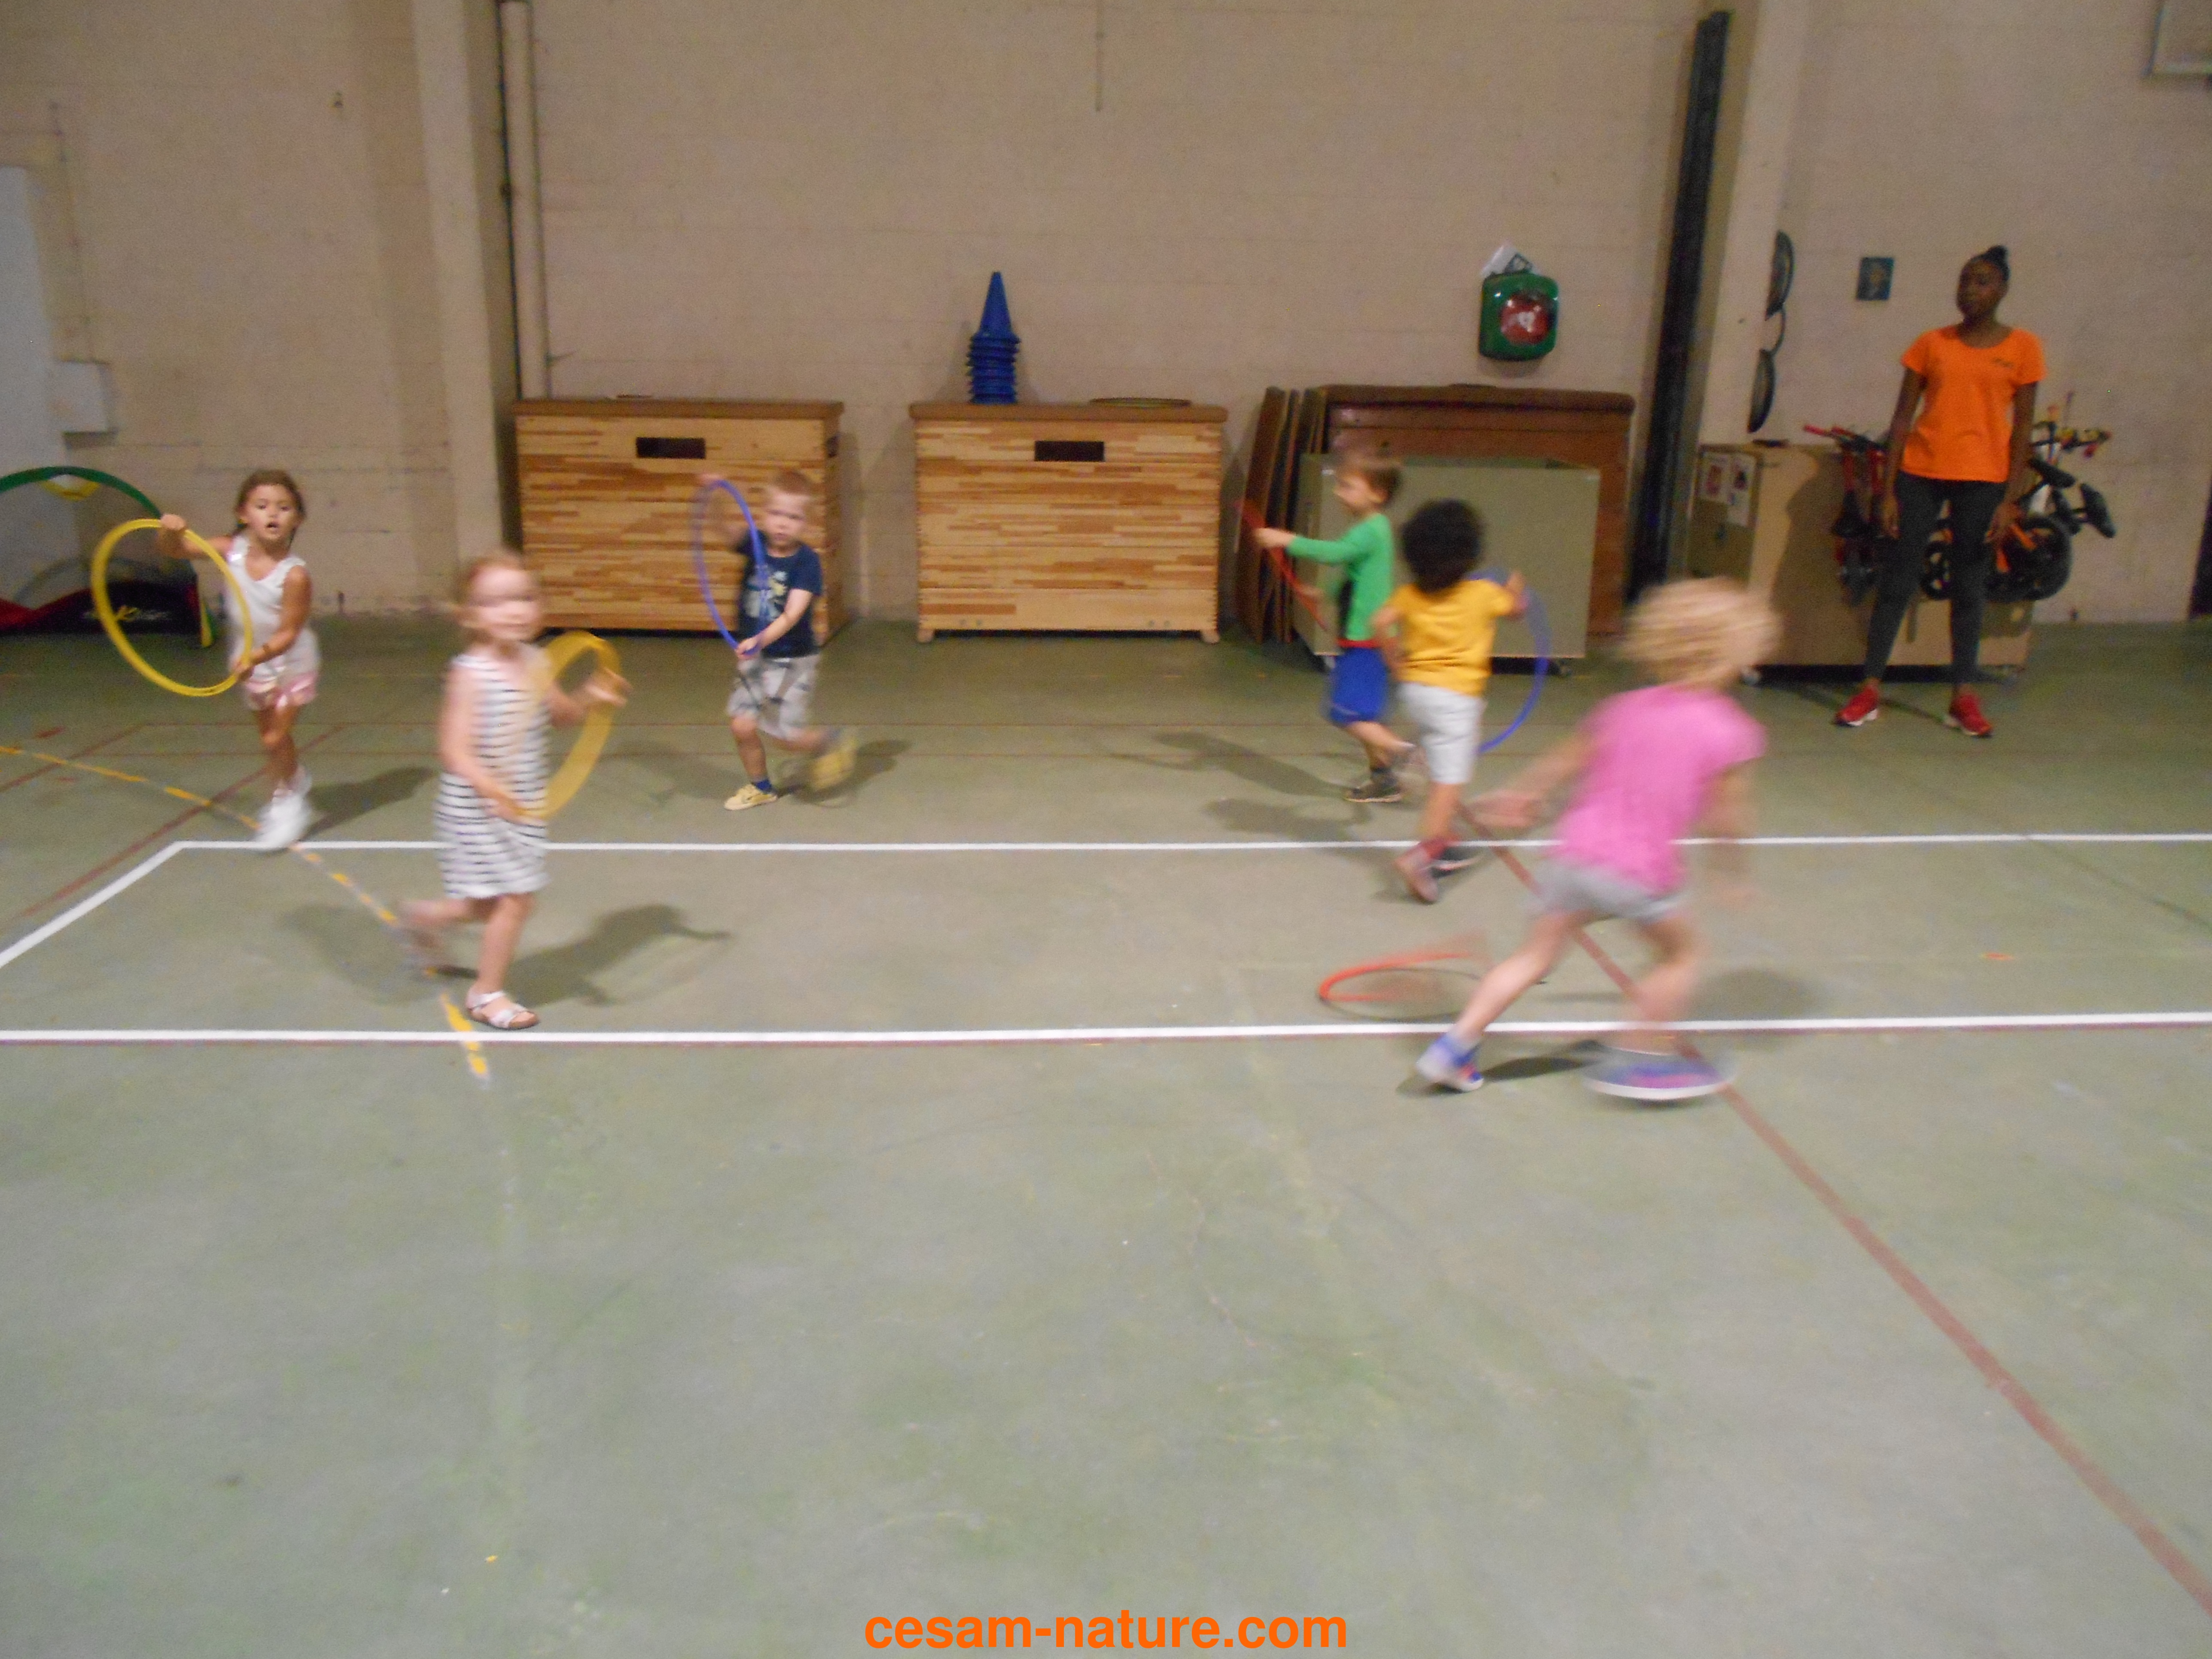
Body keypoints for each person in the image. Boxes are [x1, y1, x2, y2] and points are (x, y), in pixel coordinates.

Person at [1414, 578, 1777, 1102]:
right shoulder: (1731, 730)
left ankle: (1453, 1048)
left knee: (1534, 956)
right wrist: (1732, 874)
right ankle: (1636, 1060)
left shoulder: (1621, 709)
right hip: (1638, 872)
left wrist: (1520, 794)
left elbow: (1561, 763)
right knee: (1681, 955)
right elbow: (1727, 818)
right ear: (1735, 654)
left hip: (1572, 859)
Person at [399, 551, 627, 1031]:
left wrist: (592, 697)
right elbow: (454, 750)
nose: (514, 611)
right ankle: (486, 995)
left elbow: (560, 716)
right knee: (517, 900)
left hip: (521, 806)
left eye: (524, 598)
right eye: (496, 602)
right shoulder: (470, 672)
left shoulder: (536, 660)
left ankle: (427, 917)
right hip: (477, 807)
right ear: (470, 616)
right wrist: (490, 788)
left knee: (488, 903)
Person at [1836, 245, 2044, 739]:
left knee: (1969, 586)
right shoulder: (1930, 344)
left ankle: (1962, 697)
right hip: (1921, 473)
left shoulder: (2023, 348)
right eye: (1964, 280)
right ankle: (1869, 688)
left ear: (2002, 290)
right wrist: (1888, 491)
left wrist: (2010, 499)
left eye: (1982, 282)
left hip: (1983, 481)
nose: (1970, 290)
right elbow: (1901, 419)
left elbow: (2023, 430)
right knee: (1898, 579)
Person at [1368, 500, 1525, 902]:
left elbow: (1380, 622)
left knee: (1440, 752)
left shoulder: (1407, 595)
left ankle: (1428, 778)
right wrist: (1515, 590)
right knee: (1448, 786)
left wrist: (1394, 660)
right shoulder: (1484, 594)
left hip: (1417, 693)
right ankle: (1424, 855)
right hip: (1456, 701)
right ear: (1470, 554)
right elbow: (1516, 611)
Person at [158, 470, 319, 850]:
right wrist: (170, 532)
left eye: (284, 508)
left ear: (297, 518)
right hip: (250, 661)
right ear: (243, 514)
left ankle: (287, 805)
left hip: (291, 663)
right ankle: (293, 778)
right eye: (262, 506)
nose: (273, 514)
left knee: (275, 737)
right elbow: (175, 550)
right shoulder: (231, 550)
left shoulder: (295, 575)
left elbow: (288, 633)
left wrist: (256, 657)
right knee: (270, 738)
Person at [1252, 448, 1417, 802]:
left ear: (1378, 494)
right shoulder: (1370, 529)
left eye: (1348, 486)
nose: (1338, 492)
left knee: (1344, 713)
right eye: (1339, 484)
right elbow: (1351, 574)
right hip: (1363, 640)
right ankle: (1384, 779)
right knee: (1366, 716)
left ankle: (1401, 752)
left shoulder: (1372, 529)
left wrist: (1286, 540)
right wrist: (1322, 592)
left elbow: (1335, 554)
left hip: (1366, 641)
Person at [699, 471, 857, 809]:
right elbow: (723, 530)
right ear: (763, 514)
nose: (783, 523)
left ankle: (827, 741)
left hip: (792, 659)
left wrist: (758, 639)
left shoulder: (807, 562)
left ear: (806, 522)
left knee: (785, 738)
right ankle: (761, 786)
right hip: (756, 656)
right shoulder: (755, 544)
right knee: (742, 726)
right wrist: (715, 496)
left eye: (794, 517)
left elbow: (792, 615)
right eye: (776, 513)